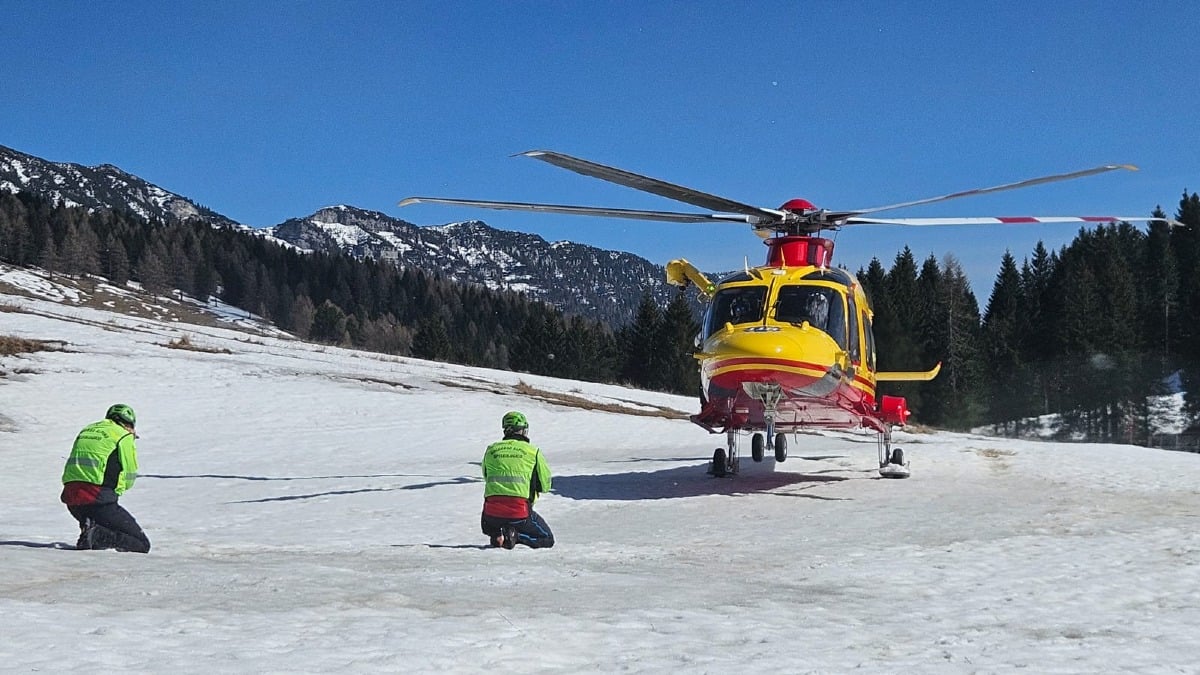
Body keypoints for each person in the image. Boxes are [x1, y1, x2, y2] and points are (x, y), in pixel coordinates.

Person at [60, 404, 151, 553]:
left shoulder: (88, 429)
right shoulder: (123, 435)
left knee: (102, 537)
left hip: (72, 499)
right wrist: (118, 491)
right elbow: (129, 472)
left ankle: (91, 531)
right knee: (141, 544)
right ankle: (96, 535)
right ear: (129, 423)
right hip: (98, 499)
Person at [480, 411, 554, 549]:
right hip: (519, 511)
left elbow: (486, 475)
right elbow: (545, 485)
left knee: (495, 522)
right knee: (546, 539)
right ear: (523, 430)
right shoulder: (533, 452)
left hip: (490, 514)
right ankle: (514, 536)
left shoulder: (491, 450)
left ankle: (498, 535)